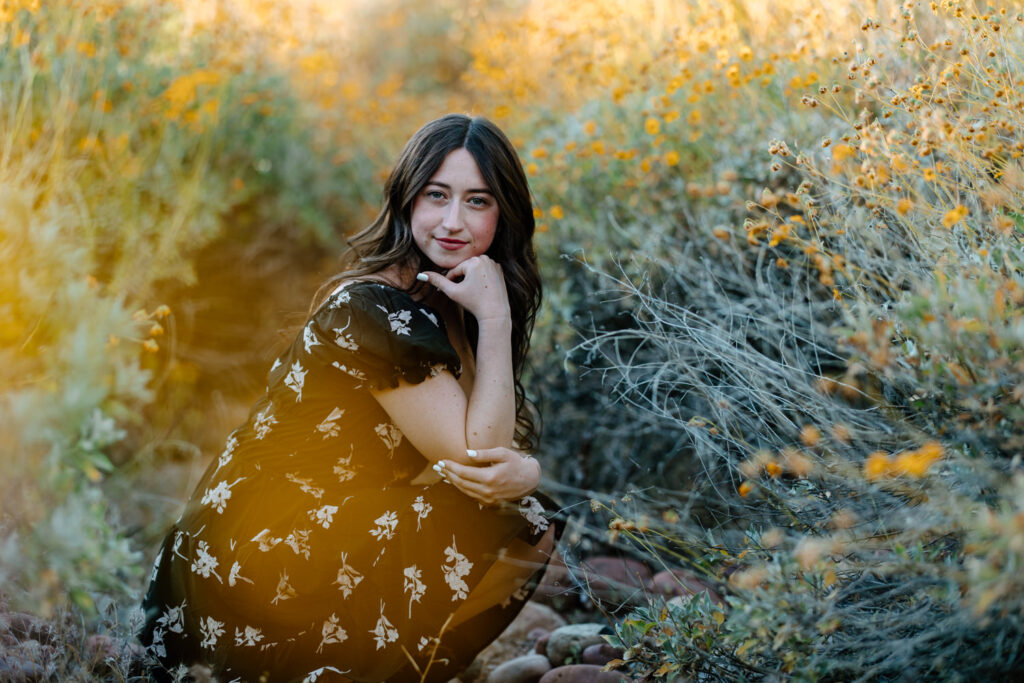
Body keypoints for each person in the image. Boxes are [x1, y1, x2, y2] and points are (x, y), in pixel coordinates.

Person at [139, 114, 560, 682]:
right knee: (516, 516)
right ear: (408, 198)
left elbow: (480, 457)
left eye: (478, 201)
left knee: (527, 517)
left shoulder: (446, 301)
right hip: (257, 539)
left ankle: (387, 668)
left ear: (503, 213)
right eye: (437, 195)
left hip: (333, 523)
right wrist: (496, 314)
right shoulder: (375, 308)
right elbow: (477, 458)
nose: (453, 221)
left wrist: (524, 467)